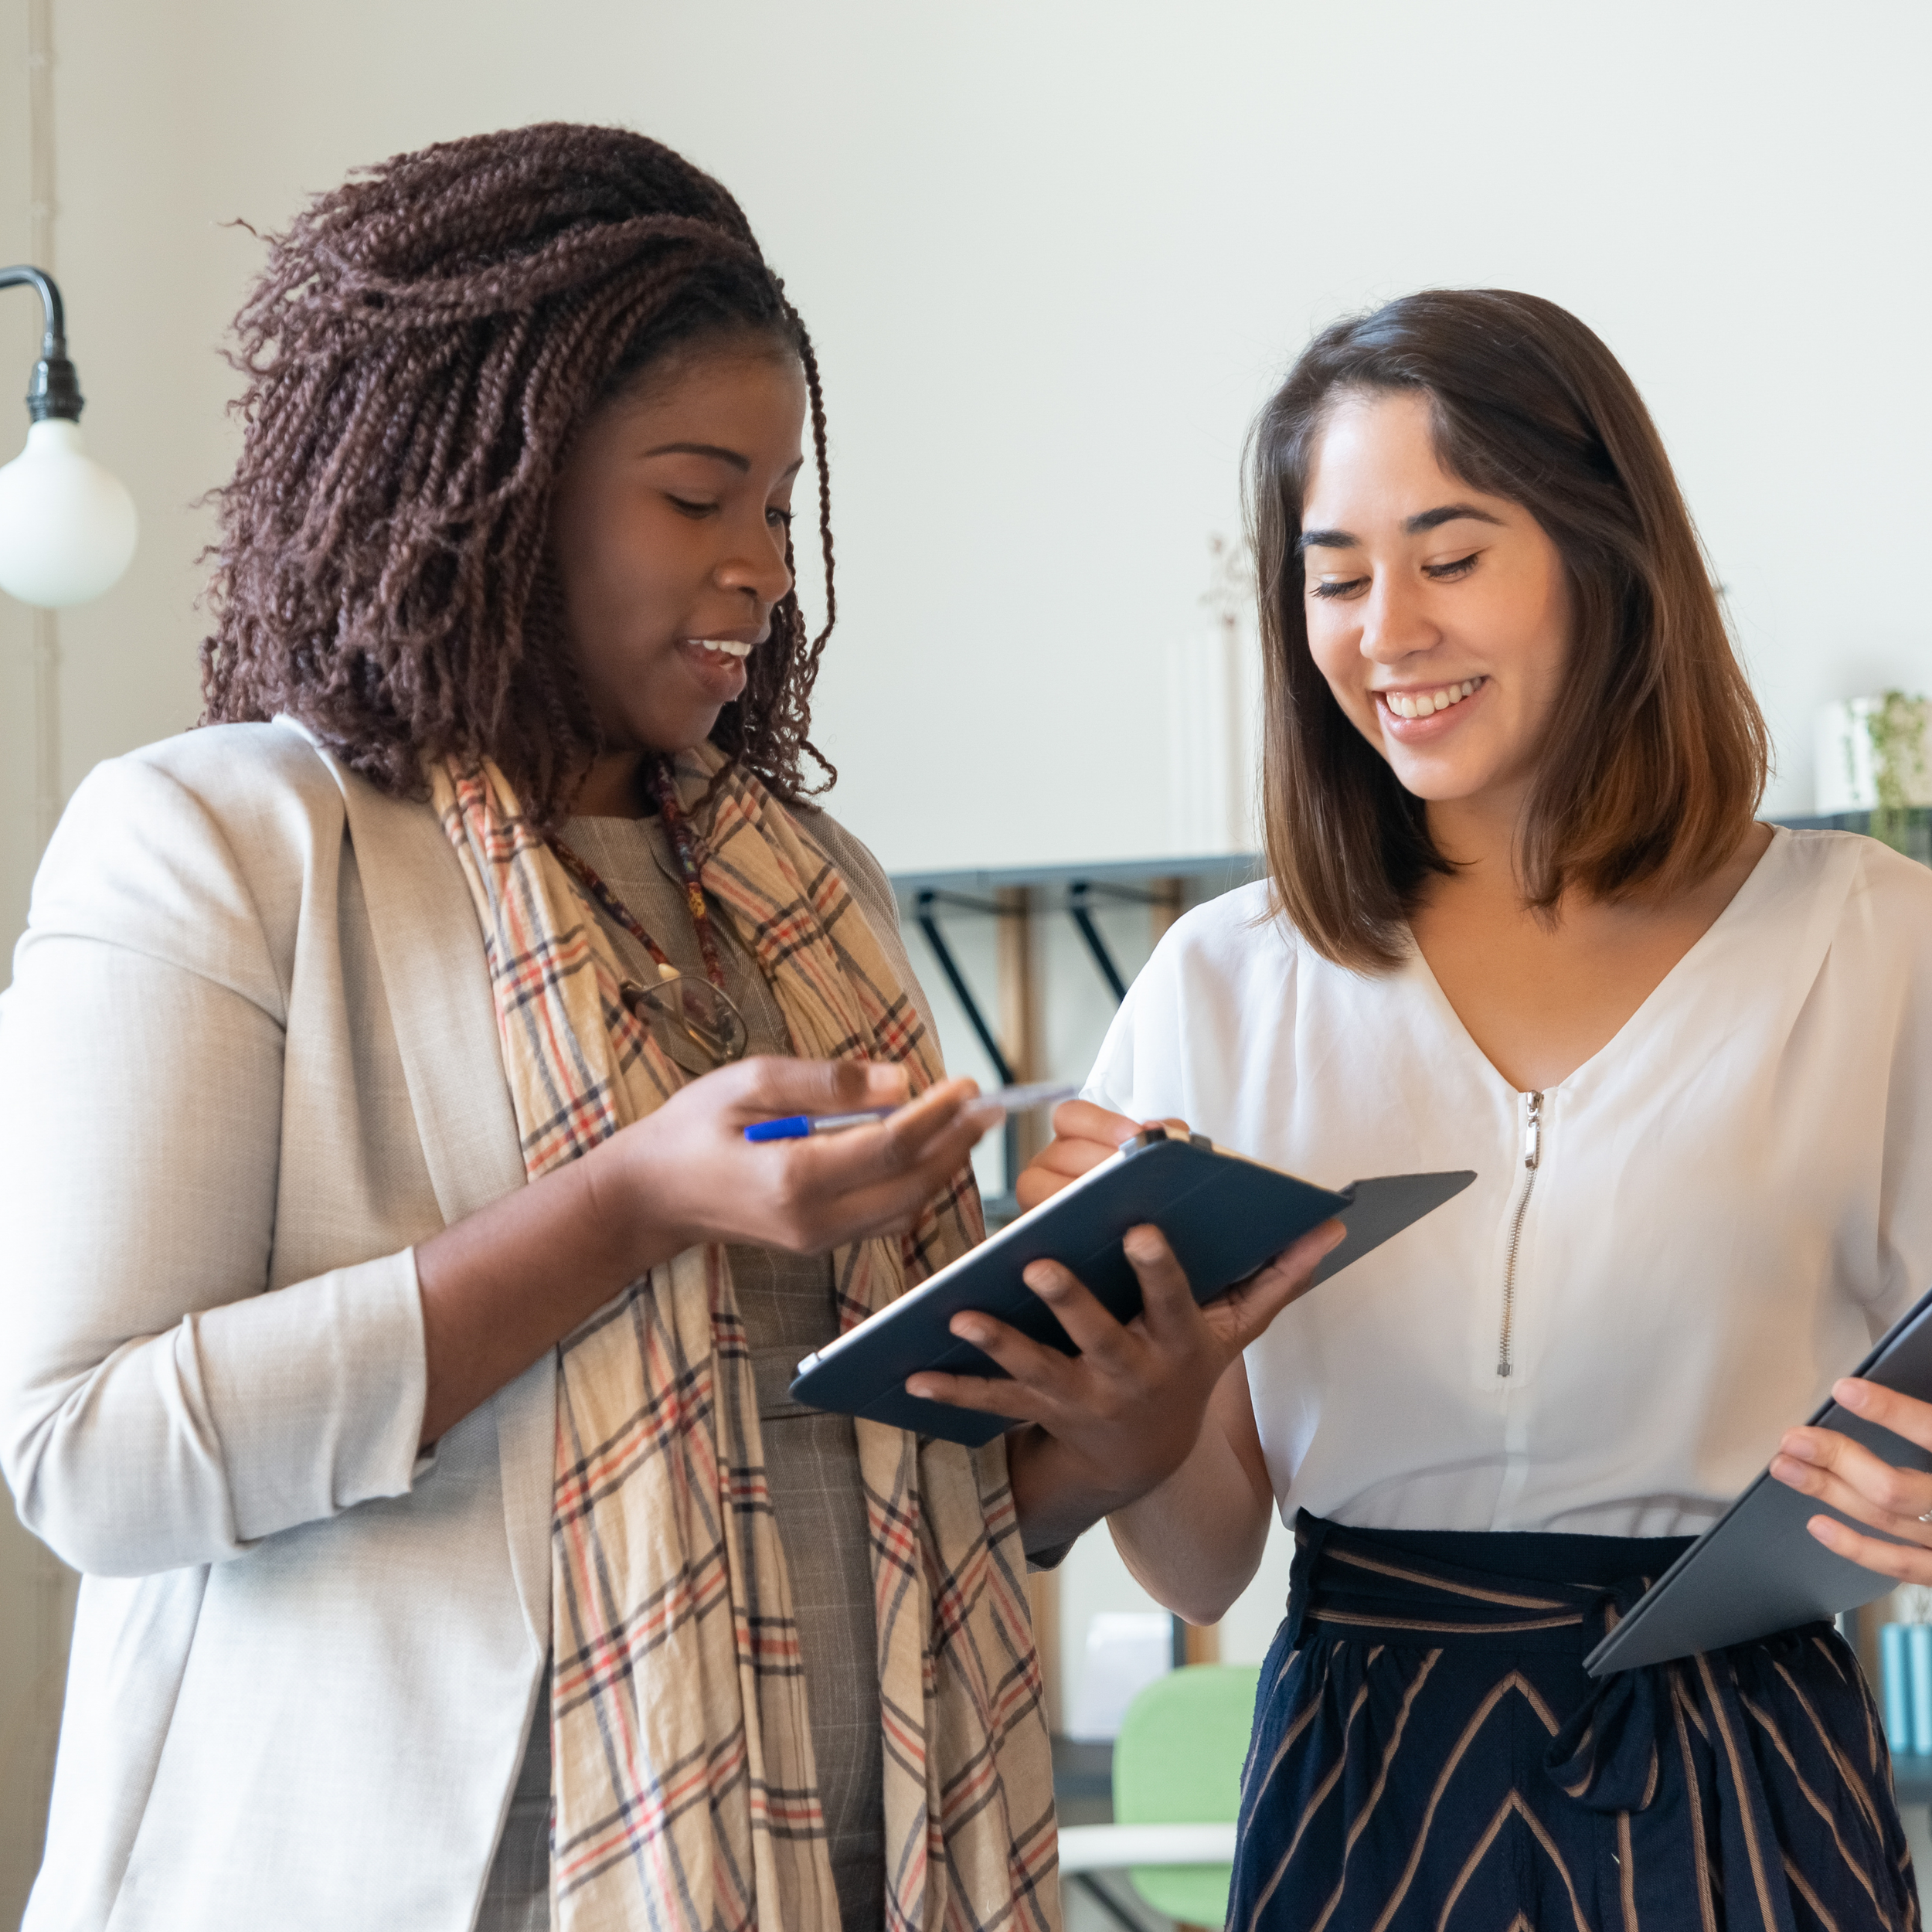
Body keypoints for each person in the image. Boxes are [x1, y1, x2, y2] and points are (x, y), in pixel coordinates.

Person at [0, 124, 1333, 1932]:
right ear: (493, 479)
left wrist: (1102, 1433)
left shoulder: (807, 887)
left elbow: (877, 1498)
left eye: (778, 506)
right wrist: (628, 1203)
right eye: (695, 496)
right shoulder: (219, 845)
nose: (760, 568)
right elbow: (90, 1453)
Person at [913, 289, 1932, 1930]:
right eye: (1333, 576)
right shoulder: (1219, 982)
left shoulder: (1873, 942)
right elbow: (1196, 1565)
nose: (1383, 628)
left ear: (1608, 558)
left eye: (1448, 558)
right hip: (1362, 1781)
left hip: (1743, 1771)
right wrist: (1136, 1405)